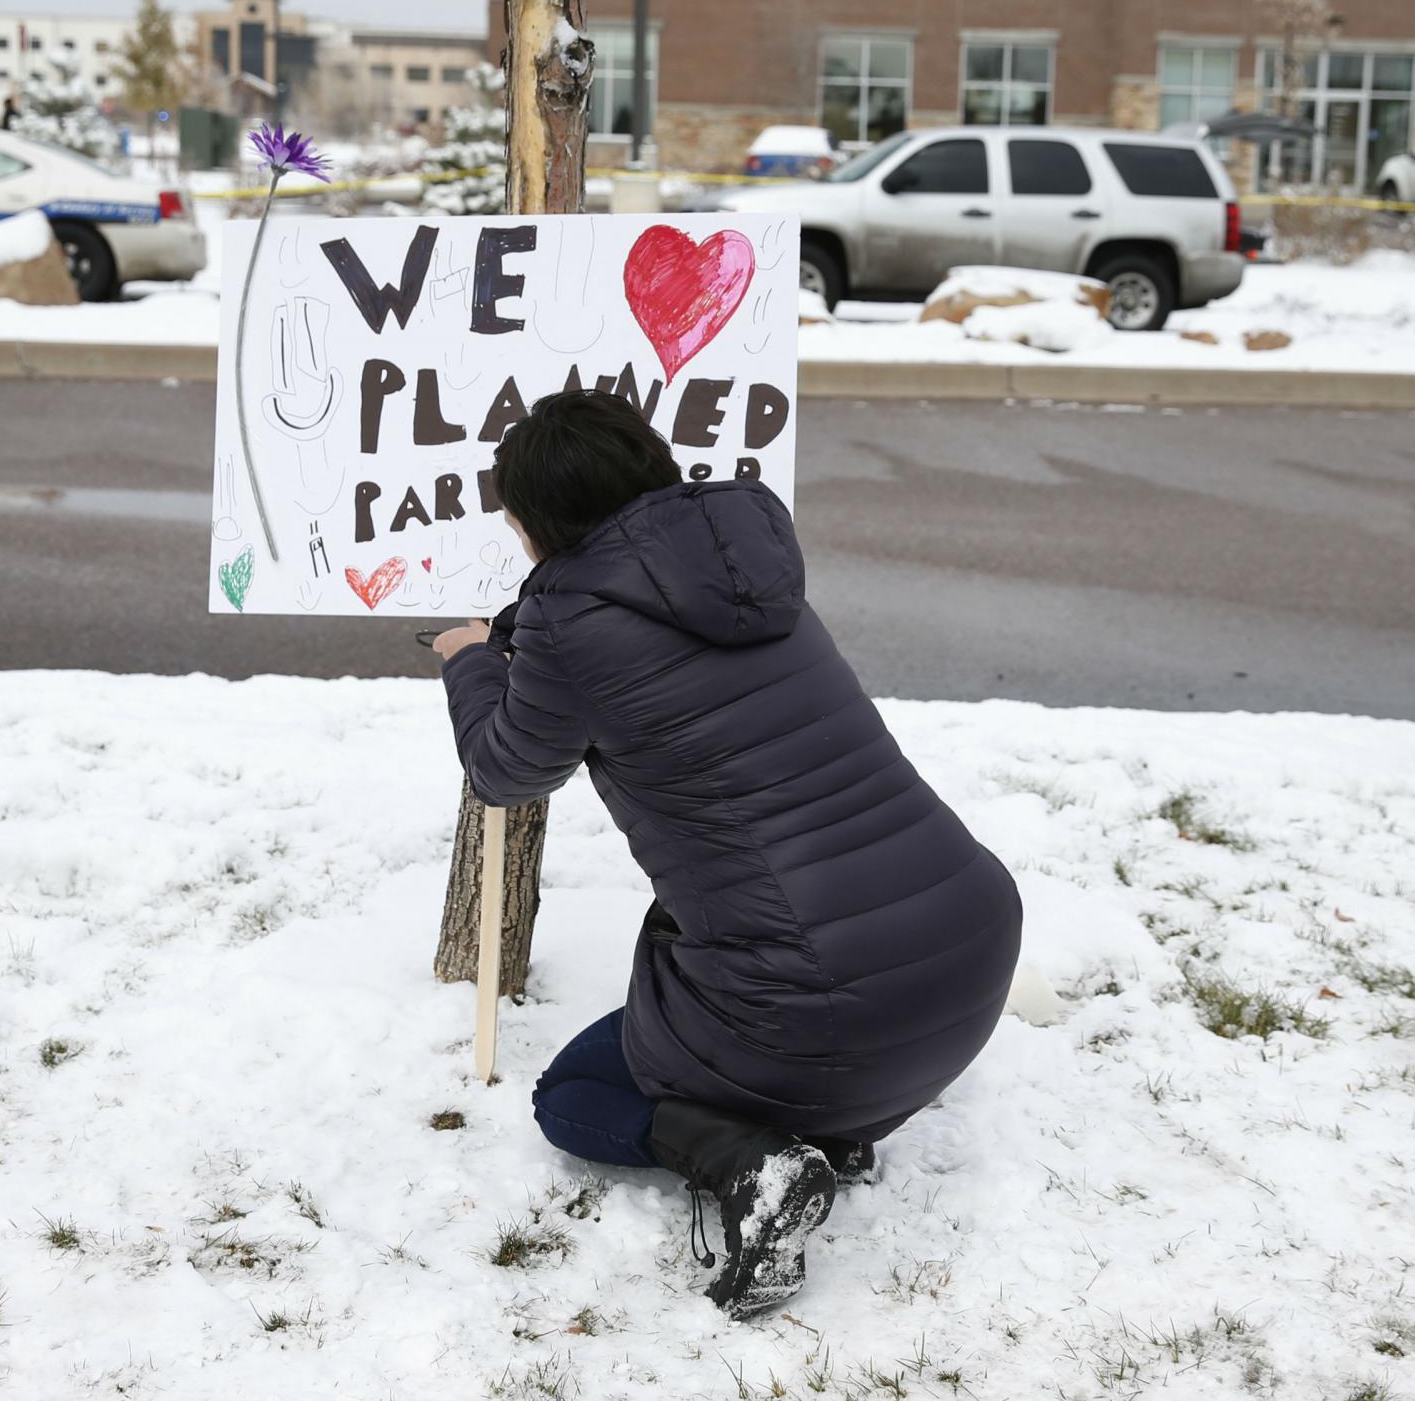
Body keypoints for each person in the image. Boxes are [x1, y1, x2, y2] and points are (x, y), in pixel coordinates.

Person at [432, 390, 1023, 1318]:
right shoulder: (743, 566)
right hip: (966, 953)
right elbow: (632, 631)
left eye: (517, 527)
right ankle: (832, 1128)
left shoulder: (566, 627)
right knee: (718, 933)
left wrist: (468, 654)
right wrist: (526, 627)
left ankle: (757, 1161)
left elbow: (506, 769)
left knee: (575, 1093)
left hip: (819, 1008)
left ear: (545, 523)